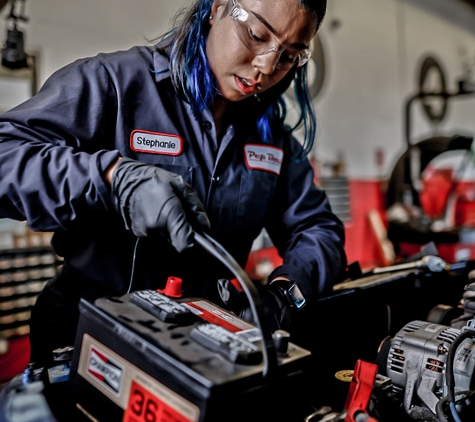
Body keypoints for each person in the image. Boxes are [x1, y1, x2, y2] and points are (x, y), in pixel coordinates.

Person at [0, 0, 347, 368]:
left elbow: (318, 228)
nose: (266, 66)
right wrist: (113, 179)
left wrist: (286, 295)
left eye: (289, 56)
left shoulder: (269, 136)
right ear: (216, 8)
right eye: (257, 35)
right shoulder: (116, 85)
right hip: (86, 342)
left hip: (204, 350)